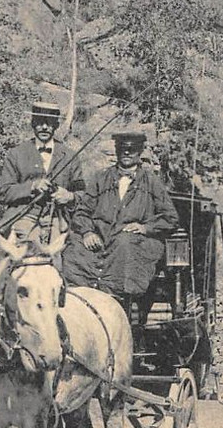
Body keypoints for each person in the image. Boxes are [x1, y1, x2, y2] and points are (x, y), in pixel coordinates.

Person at [61, 129, 179, 308]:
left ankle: (117, 304)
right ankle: (78, 303)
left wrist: (145, 228)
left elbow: (170, 218)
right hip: (100, 239)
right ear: (116, 151)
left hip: (134, 242)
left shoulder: (151, 181)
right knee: (74, 249)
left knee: (124, 245)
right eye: (122, 148)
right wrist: (87, 232)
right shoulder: (100, 178)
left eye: (132, 149)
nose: (126, 153)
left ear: (139, 152)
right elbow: (82, 211)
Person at [0, 100, 85, 238]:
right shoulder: (16, 154)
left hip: (58, 218)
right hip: (24, 216)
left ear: (56, 124)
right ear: (32, 123)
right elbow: (3, 193)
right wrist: (32, 186)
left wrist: (69, 196)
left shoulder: (70, 156)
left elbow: (83, 194)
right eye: (39, 121)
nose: (44, 127)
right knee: (27, 248)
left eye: (49, 122)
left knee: (63, 253)